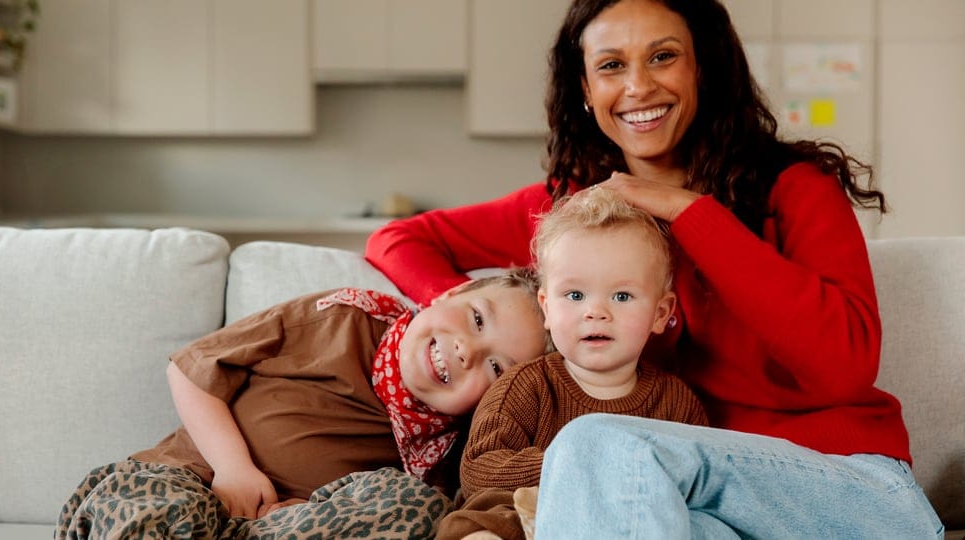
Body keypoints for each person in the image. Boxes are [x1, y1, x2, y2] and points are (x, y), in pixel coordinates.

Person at [364, 0, 945, 537]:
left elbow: (843, 368)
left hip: (848, 494)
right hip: (683, 508)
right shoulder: (579, 217)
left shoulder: (794, 191)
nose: (638, 86)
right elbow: (401, 238)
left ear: (703, 71)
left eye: (663, 57)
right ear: (586, 90)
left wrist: (692, 214)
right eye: (612, 65)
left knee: (592, 443)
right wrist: (481, 317)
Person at [55, 270, 551, 539]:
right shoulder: (343, 318)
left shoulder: (450, 449)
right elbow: (191, 369)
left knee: (418, 508)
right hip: (189, 477)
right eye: (477, 320)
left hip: (280, 523)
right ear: (452, 292)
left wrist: (304, 514)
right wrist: (234, 470)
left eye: (496, 368)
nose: (468, 350)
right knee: (144, 511)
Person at [437, 187, 707, 540]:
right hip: (519, 522)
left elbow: (701, 482)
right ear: (547, 308)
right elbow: (478, 472)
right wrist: (582, 467)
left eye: (622, 296)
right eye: (575, 295)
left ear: (660, 314)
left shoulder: (674, 402)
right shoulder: (524, 386)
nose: (595, 312)